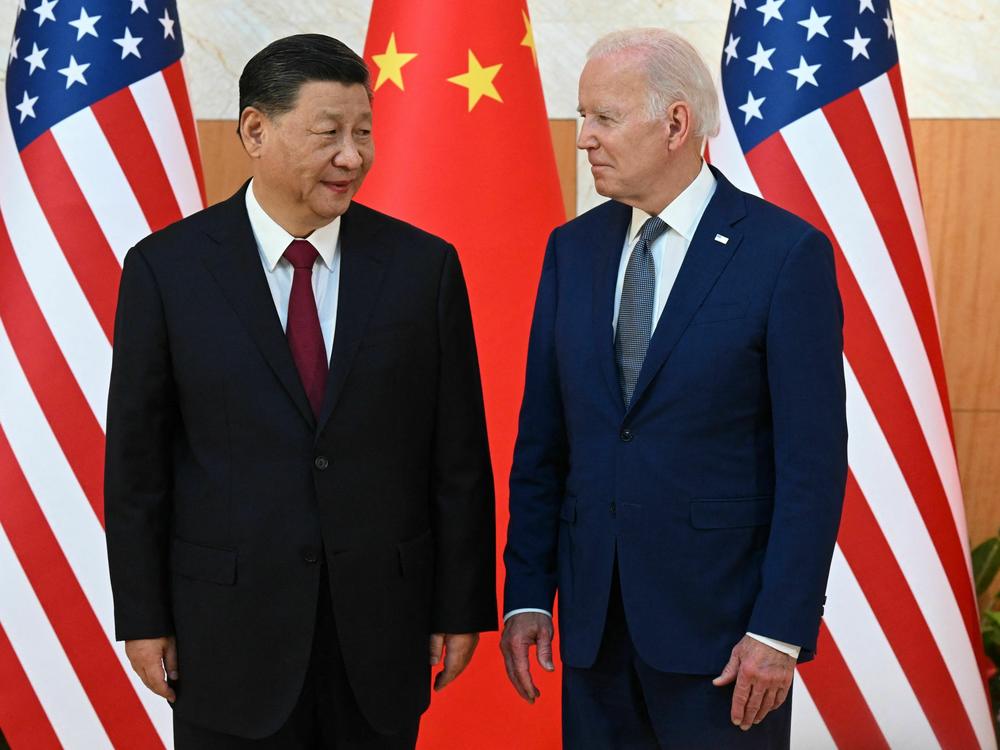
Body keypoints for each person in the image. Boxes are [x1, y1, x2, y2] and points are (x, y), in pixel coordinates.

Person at [105, 34, 496, 749]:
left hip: (381, 631)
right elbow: (137, 466)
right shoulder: (168, 270)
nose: (353, 156)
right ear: (256, 130)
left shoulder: (423, 268)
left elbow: (458, 457)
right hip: (224, 635)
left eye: (365, 133)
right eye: (329, 133)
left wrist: (459, 605)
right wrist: (142, 616)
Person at [501, 28, 847, 749]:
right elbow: (545, 442)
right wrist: (528, 592)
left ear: (677, 124)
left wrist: (779, 631)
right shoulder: (573, 250)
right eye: (581, 116)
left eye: (604, 117)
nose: (584, 139)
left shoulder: (785, 255)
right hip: (595, 633)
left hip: (725, 644)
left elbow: (811, 467)